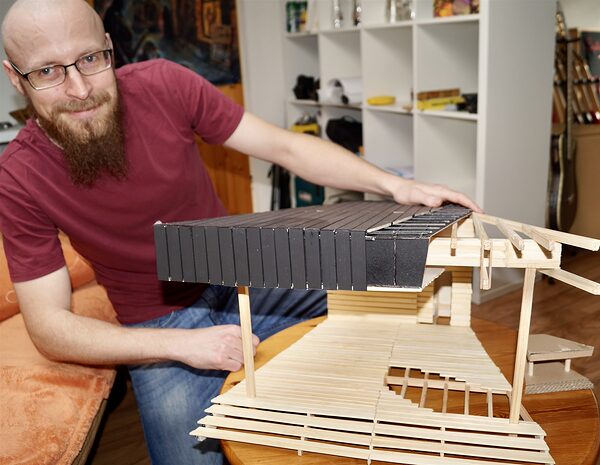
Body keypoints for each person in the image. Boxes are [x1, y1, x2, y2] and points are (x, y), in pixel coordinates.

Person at [0, 1, 480, 464]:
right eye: (48, 71)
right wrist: (183, 347)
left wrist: (396, 185)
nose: (79, 88)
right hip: (161, 326)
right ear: (15, 78)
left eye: (90, 59)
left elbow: (286, 148)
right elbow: (50, 327)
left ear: (109, 46)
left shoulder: (164, 83)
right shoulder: (18, 176)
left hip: (244, 273)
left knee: (393, 291)